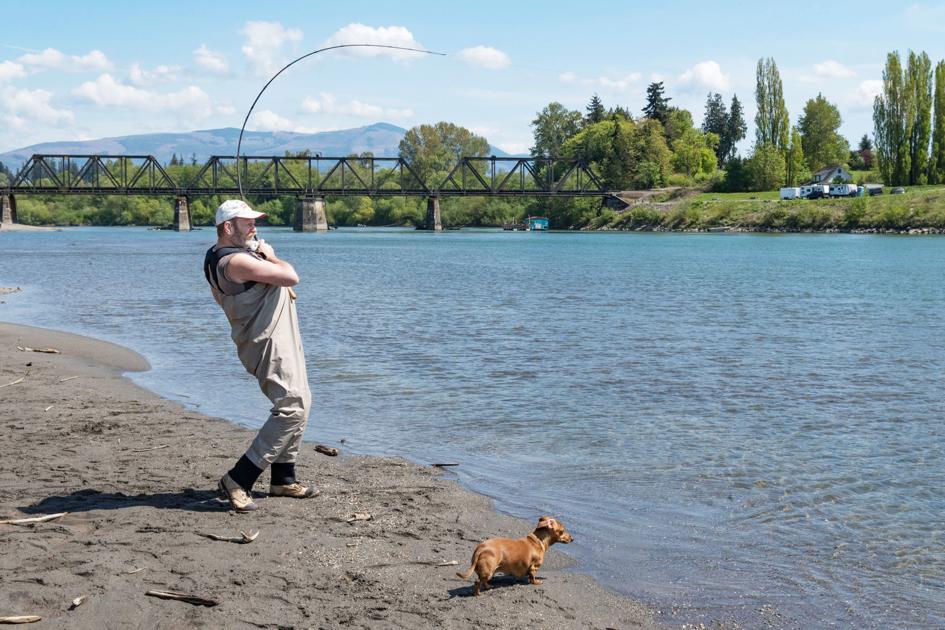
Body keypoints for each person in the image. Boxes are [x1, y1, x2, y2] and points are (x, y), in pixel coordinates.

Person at [203, 199, 318, 512]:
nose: (254, 227)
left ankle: (283, 478)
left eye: (255, 222)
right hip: (266, 341)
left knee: (302, 400)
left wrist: (257, 251)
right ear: (228, 228)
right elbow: (291, 276)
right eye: (247, 223)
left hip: (276, 336)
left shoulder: (226, 254)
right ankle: (239, 478)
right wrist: (272, 256)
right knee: (291, 407)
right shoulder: (234, 262)